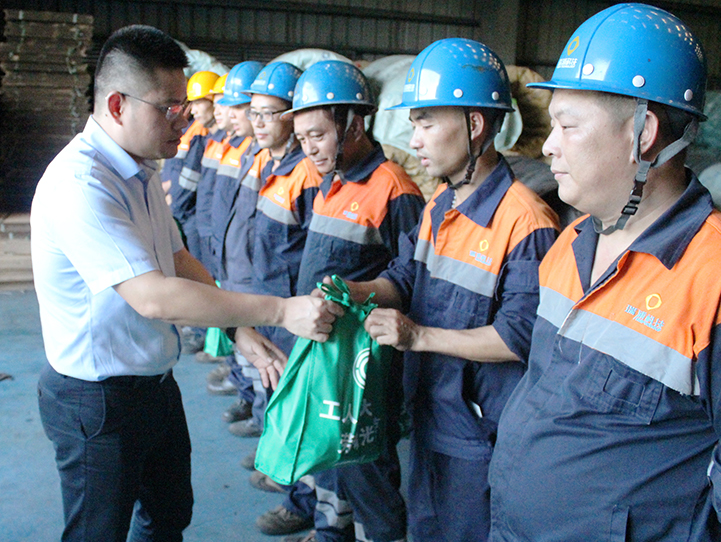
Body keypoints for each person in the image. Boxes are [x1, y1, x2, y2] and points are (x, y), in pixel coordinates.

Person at [30, 25, 340, 542]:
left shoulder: (140, 170)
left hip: (153, 383)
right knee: (97, 532)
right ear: (117, 105)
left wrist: (238, 329)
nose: (186, 118)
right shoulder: (81, 185)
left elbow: (176, 258)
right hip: (97, 401)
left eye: (185, 104)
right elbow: (153, 297)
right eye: (170, 107)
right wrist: (282, 311)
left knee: (168, 514)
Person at [487, 4, 721, 541]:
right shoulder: (569, 244)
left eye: (568, 125)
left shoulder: (710, 279)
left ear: (644, 133)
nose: (548, 144)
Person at [320, 38, 560, 542]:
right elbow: (406, 277)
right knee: (425, 526)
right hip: (430, 412)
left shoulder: (527, 222)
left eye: (426, 123)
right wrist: (353, 290)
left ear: (475, 125)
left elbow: (518, 337)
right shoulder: (441, 205)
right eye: (414, 125)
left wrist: (418, 337)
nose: (416, 141)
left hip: (479, 434)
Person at [246, 60, 426, 542]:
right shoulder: (331, 180)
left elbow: (412, 279)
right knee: (329, 451)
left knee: (367, 465)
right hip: (326, 352)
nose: (309, 148)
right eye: (301, 138)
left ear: (355, 125)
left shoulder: (394, 189)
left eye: (318, 135)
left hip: (364, 362)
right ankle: (331, 529)